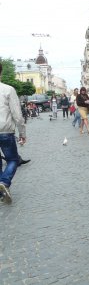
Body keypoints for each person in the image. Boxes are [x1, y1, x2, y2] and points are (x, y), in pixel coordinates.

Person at [0, 63, 26, 204]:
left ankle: (1, 192)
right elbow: (17, 115)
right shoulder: (8, 90)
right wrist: (22, 133)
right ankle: (4, 182)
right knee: (13, 160)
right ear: (1, 72)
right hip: (5, 131)